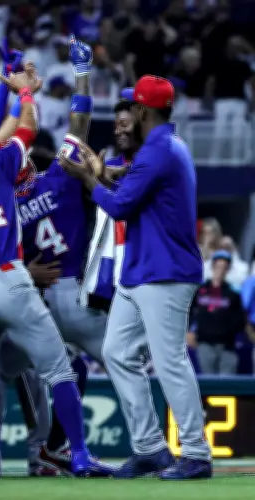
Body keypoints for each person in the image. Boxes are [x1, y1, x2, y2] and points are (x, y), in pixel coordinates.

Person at [0, 58, 112, 478]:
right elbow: (72, 127)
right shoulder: (22, 173)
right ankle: (72, 453)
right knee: (63, 371)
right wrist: (32, 89)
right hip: (26, 286)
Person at [58, 75, 212, 480]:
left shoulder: (158, 151)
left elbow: (120, 207)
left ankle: (196, 453)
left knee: (170, 361)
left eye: (133, 109)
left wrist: (88, 179)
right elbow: (130, 187)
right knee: (117, 352)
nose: (129, 117)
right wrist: (101, 175)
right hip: (141, 271)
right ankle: (150, 448)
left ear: (143, 111)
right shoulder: (165, 147)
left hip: (166, 272)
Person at [188, 250, 246, 375]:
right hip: (204, 343)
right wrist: (189, 332)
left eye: (224, 267)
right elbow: (189, 312)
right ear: (213, 267)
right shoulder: (200, 290)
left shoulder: (233, 293)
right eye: (218, 266)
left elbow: (240, 319)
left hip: (227, 346)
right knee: (209, 383)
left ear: (228, 270)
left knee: (227, 385)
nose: (221, 270)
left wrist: (228, 332)